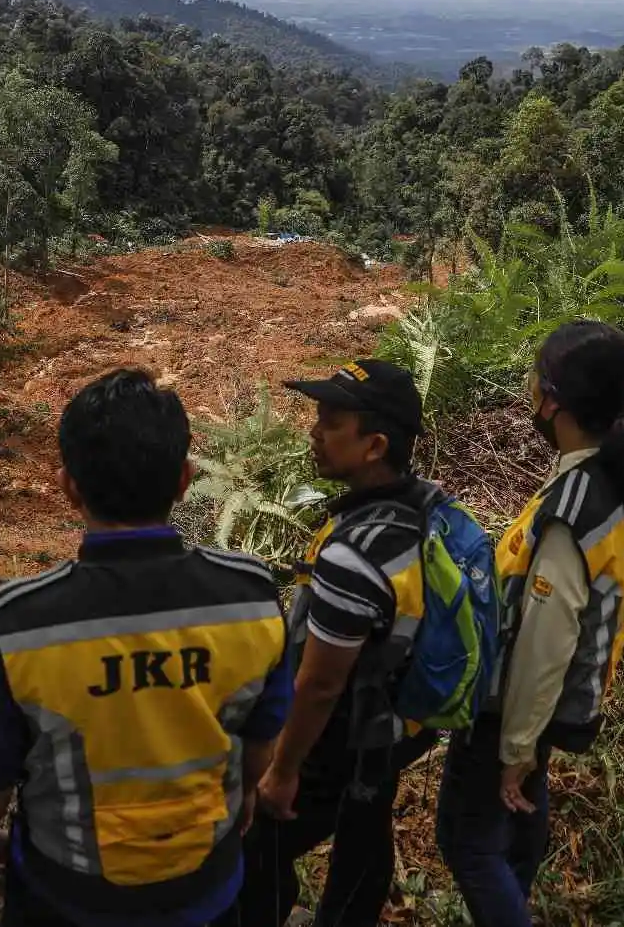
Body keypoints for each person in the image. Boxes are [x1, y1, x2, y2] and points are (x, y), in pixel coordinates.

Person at [0, 368, 293, 927]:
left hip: (66, 897)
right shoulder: (251, 597)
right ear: (185, 480)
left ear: (68, 486)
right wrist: (244, 796)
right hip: (207, 888)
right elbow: (261, 735)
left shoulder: (19, 624)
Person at [435, 320, 624, 927]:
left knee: (466, 841)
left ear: (554, 399)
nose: (530, 391)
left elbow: (545, 642)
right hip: (550, 704)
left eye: (536, 380)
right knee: (519, 814)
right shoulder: (615, 464)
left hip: (513, 704)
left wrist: (517, 745)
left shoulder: (571, 512)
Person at [219, 359, 443, 927]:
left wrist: (283, 767)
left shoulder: (357, 550)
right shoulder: (424, 508)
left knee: (255, 841)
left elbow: (319, 683)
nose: (314, 431)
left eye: (332, 421)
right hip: (398, 719)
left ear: (374, 445)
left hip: (343, 731)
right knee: (365, 819)